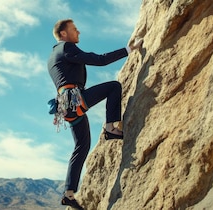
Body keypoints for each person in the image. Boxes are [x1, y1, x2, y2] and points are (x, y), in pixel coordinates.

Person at [47, 19, 142, 209]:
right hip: (74, 99)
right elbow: (100, 60)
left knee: (82, 146)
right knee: (114, 87)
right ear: (63, 34)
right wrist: (129, 49)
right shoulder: (66, 47)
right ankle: (111, 128)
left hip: (66, 107)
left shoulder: (52, 56)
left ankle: (68, 193)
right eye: (75, 29)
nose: (79, 32)